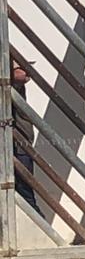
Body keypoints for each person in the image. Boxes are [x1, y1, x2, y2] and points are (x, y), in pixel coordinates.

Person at [10, 64, 38, 215]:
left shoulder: (13, 84)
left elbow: (22, 76)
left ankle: (42, 232)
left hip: (19, 145)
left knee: (24, 192)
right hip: (14, 144)